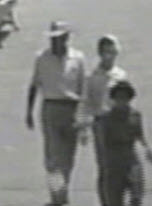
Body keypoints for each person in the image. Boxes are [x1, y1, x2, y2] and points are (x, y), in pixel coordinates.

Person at [26, 20, 87, 206]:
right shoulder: (42, 58)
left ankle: (63, 190)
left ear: (67, 38)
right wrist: (28, 111)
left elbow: (83, 89)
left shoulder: (77, 58)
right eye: (53, 39)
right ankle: (57, 197)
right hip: (51, 107)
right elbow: (34, 85)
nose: (56, 43)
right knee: (53, 157)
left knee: (68, 156)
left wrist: (83, 117)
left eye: (60, 38)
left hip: (71, 107)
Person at [78, 35, 129, 206]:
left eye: (113, 52)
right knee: (105, 166)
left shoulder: (120, 75)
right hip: (101, 124)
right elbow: (86, 102)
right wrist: (84, 127)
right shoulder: (92, 76)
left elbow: (127, 100)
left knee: (120, 165)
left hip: (120, 123)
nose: (110, 56)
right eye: (106, 52)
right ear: (100, 53)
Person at [99, 80, 152, 206]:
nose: (122, 100)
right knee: (114, 199)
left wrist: (148, 150)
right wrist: (105, 163)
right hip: (114, 161)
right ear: (113, 98)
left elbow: (140, 136)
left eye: (125, 97)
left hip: (131, 159)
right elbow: (102, 142)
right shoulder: (106, 118)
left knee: (137, 194)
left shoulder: (135, 115)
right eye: (119, 97)